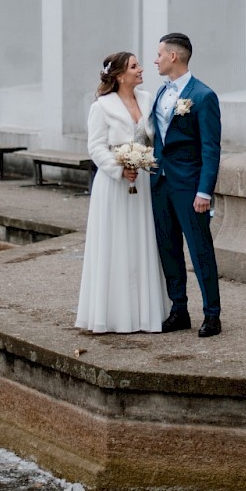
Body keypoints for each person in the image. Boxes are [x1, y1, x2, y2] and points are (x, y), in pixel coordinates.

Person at [75, 51, 166, 334]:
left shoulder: (149, 100)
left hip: (143, 183)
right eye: (134, 66)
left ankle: (145, 314)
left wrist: (146, 163)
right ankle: (114, 315)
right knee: (115, 244)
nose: (141, 69)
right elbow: (96, 147)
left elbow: (156, 138)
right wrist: (119, 169)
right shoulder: (101, 107)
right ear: (119, 75)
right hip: (114, 186)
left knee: (142, 242)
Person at [149, 33, 222, 337]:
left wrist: (204, 191)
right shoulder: (159, 93)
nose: (156, 60)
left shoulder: (203, 96)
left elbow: (211, 147)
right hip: (160, 184)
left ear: (174, 57)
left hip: (191, 187)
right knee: (168, 249)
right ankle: (179, 309)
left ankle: (212, 315)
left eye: (159, 55)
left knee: (200, 250)